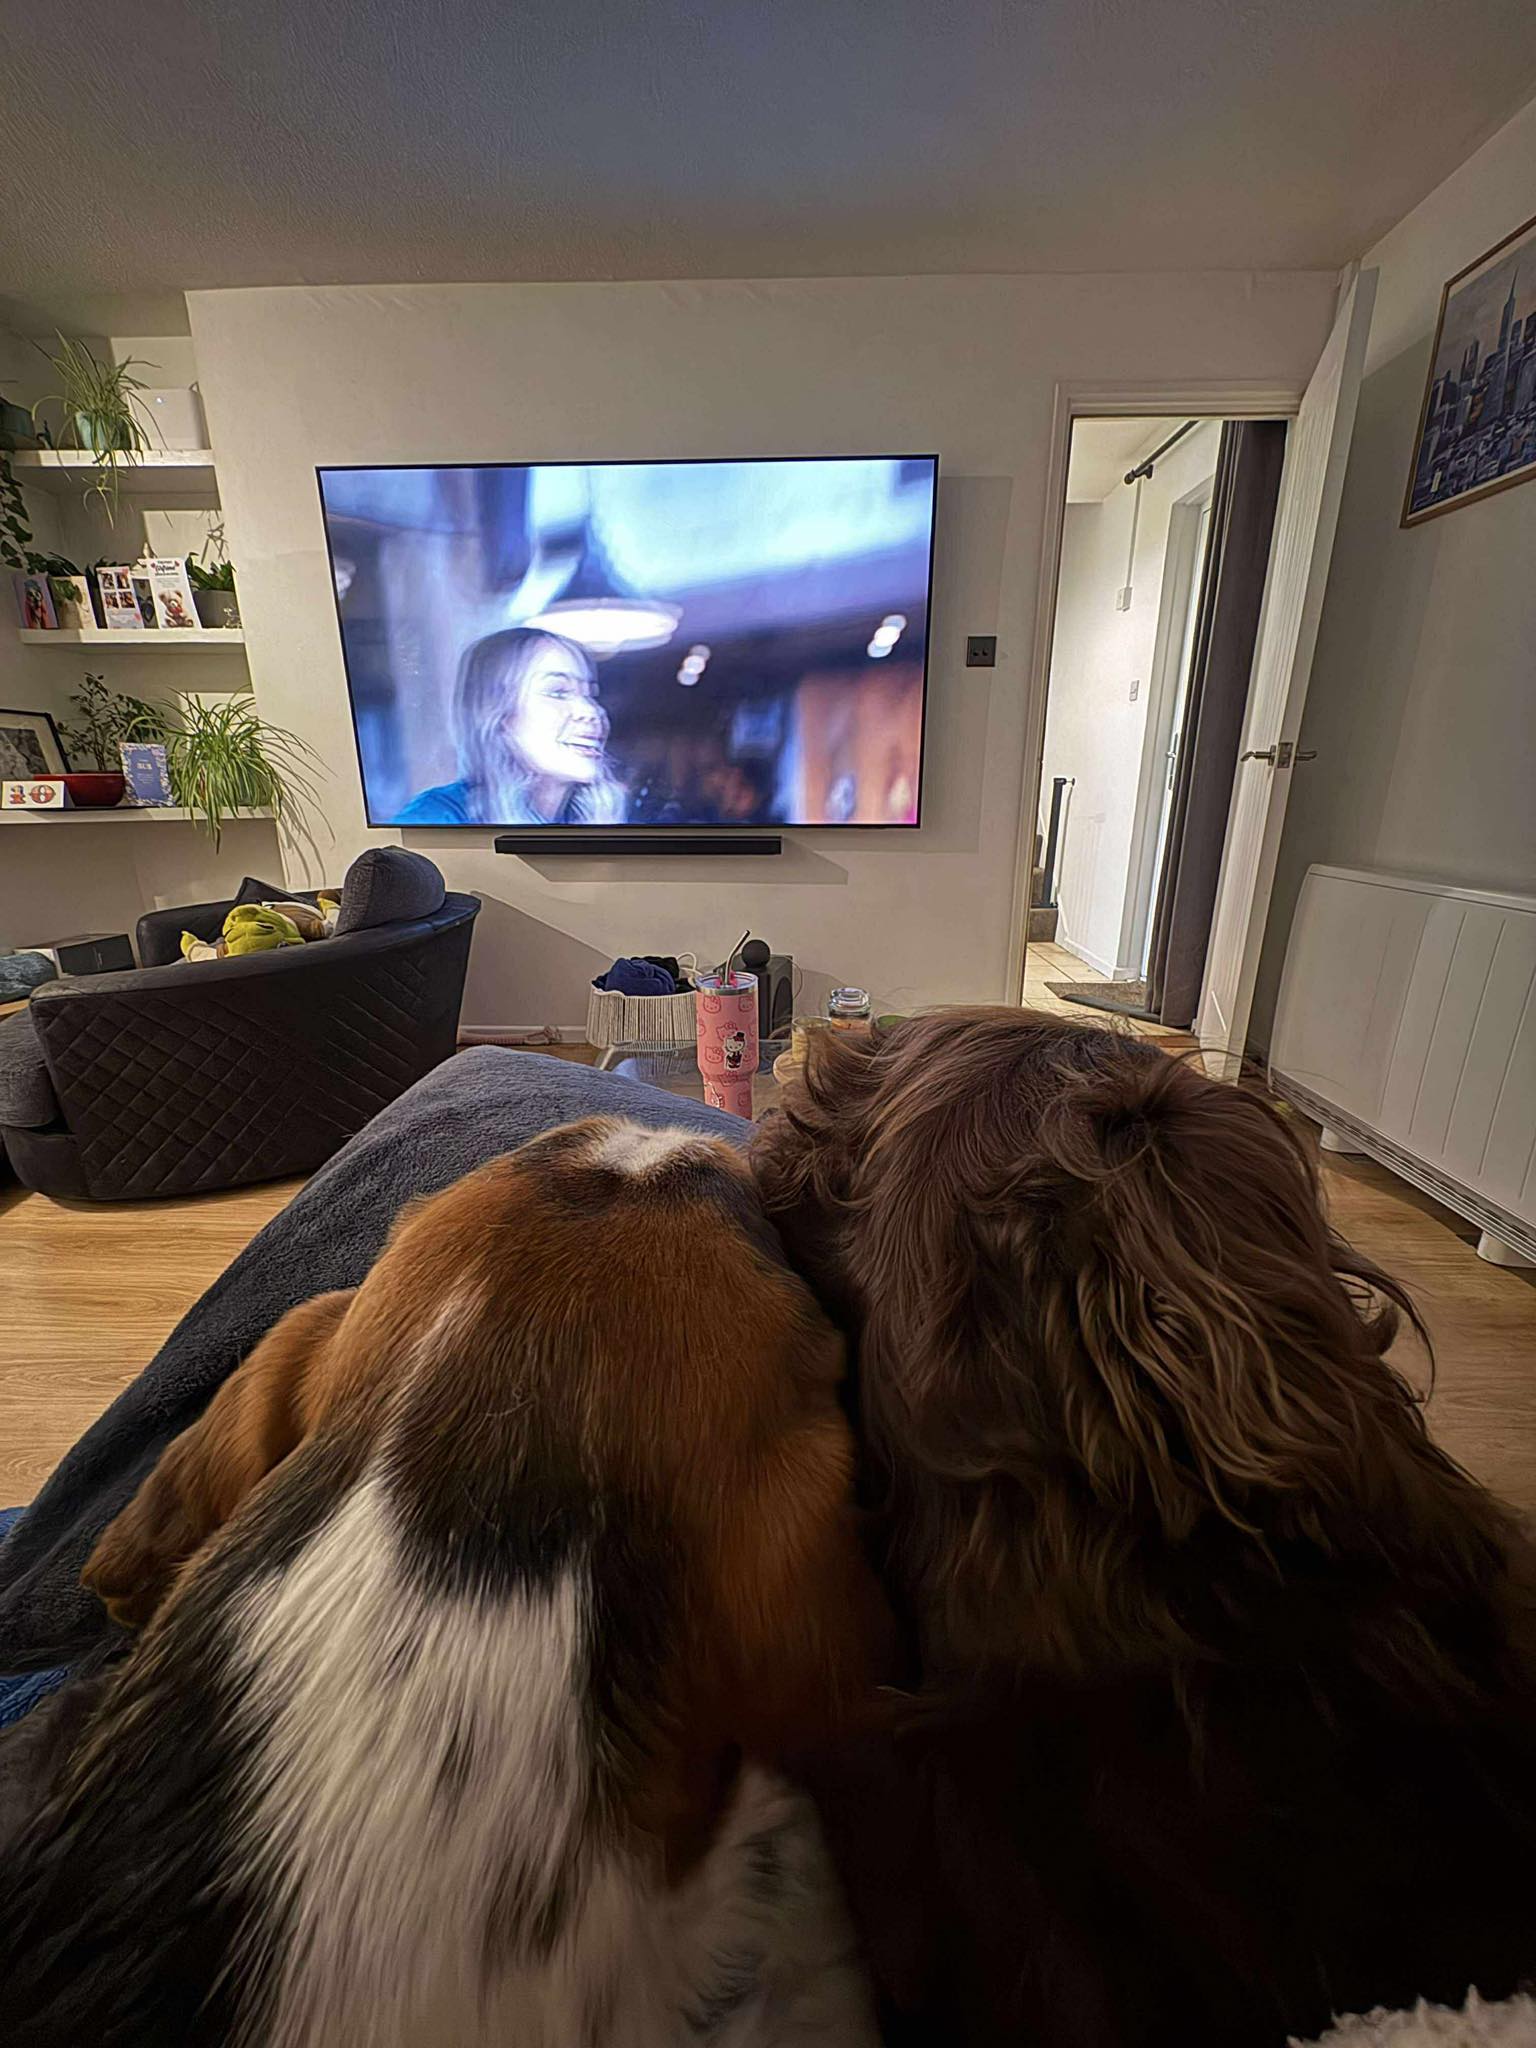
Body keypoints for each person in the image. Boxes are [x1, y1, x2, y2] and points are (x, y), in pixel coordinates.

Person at [396, 626, 626, 825]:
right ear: (500, 717)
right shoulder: (435, 818)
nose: (592, 712)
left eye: (590, 695)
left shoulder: (598, 815)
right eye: (558, 692)